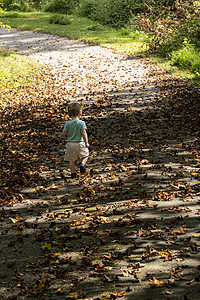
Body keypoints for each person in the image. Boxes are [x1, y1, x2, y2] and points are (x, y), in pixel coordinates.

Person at [61, 102, 89, 179]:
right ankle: (82, 164)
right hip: (80, 143)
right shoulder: (81, 123)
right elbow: (84, 132)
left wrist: (62, 136)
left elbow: (64, 132)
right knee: (85, 155)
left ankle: (73, 173)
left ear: (69, 114)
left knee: (71, 160)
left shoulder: (68, 123)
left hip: (70, 144)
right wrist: (86, 142)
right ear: (80, 113)